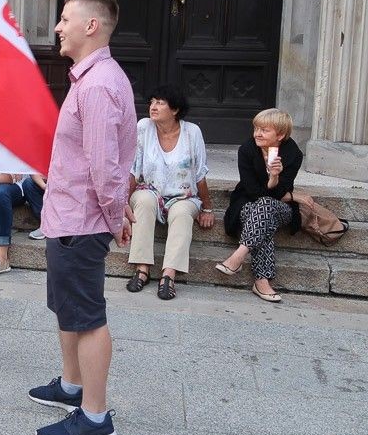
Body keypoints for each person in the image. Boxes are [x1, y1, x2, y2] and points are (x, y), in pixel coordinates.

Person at [30, 0, 136, 435]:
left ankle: (95, 418)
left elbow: (104, 166)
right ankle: (72, 386)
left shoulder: (97, 85)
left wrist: (115, 216)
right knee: (68, 308)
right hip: (68, 216)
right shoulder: (92, 78)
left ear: (91, 26)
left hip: (82, 221)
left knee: (88, 316)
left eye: (64, 18)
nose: (57, 27)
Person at [125, 85, 215, 300]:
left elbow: (200, 173)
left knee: (182, 213)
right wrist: (123, 204)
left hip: (184, 195)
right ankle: (142, 269)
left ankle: (169, 274)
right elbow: (133, 169)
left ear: (174, 109)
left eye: (160, 103)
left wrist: (207, 208)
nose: (153, 107)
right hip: (149, 190)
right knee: (144, 201)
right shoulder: (144, 127)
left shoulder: (192, 132)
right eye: (152, 102)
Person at [216, 108, 306, 303]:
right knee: (263, 213)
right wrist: (281, 190)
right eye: (256, 128)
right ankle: (261, 282)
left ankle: (239, 255)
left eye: (264, 130)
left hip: (280, 208)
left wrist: (274, 177)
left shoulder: (293, 154)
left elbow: (279, 193)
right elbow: (252, 191)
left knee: (265, 206)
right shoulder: (247, 149)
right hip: (247, 203)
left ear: (280, 135)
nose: (257, 134)